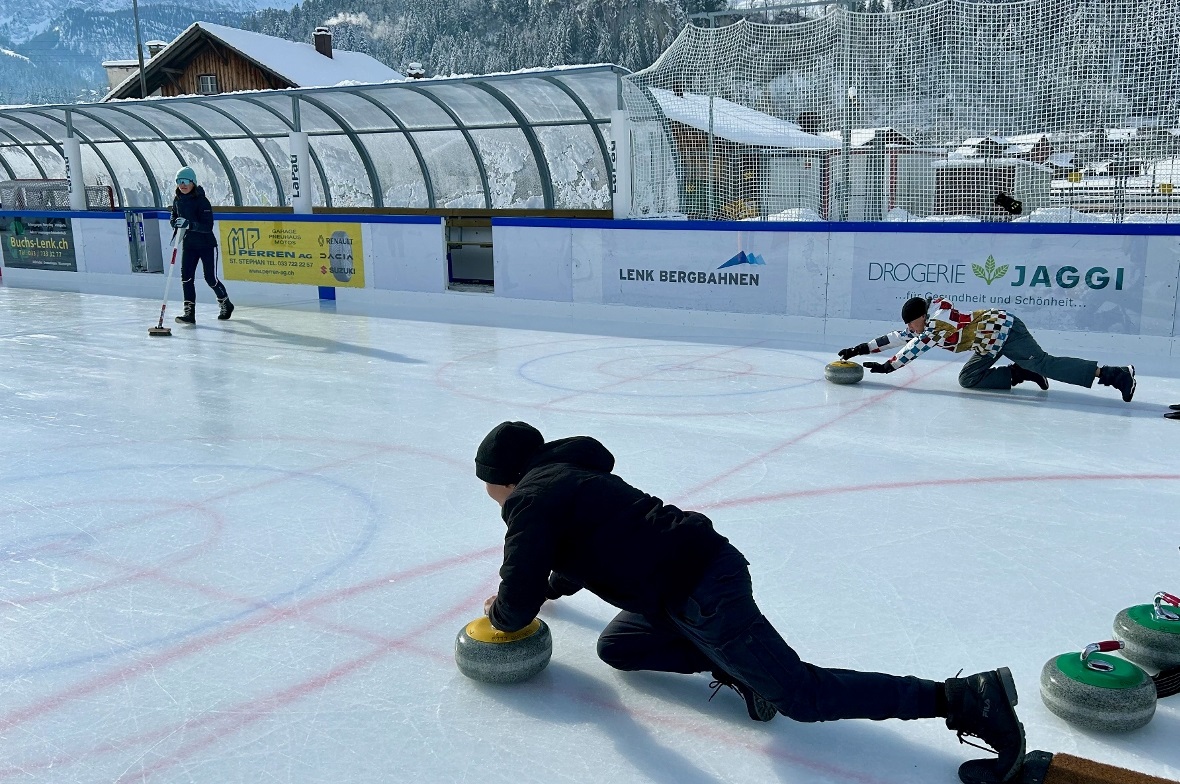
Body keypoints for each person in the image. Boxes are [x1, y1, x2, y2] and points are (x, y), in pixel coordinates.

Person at [475, 421, 1027, 784]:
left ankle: (961, 698)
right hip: (684, 579)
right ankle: (741, 673)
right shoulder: (566, 479)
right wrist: (550, 591)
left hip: (700, 592)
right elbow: (583, 549)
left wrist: (503, 613)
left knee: (803, 696)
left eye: (488, 485)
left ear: (503, 478)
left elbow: (516, 597)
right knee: (619, 646)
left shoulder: (531, 497)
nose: (490, 496)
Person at [838, 296, 1136, 402]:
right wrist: (859, 349)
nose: (911, 329)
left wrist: (889, 367)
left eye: (913, 324)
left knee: (1045, 362)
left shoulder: (936, 323)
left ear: (922, 318)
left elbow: (917, 346)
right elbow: (897, 338)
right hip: (986, 343)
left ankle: (1114, 374)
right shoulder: (923, 324)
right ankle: (1019, 372)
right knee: (968, 380)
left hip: (1005, 331)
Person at [170, 166, 233, 325]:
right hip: (189, 245)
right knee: (186, 278)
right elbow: (174, 218)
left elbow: (207, 226)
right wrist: (176, 224)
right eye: (179, 181)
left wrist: (189, 224)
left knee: (210, 278)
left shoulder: (202, 201)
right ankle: (189, 313)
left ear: (193, 183)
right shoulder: (177, 200)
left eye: (185, 181)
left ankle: (225, 303)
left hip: (206, 245)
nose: (182, 185)